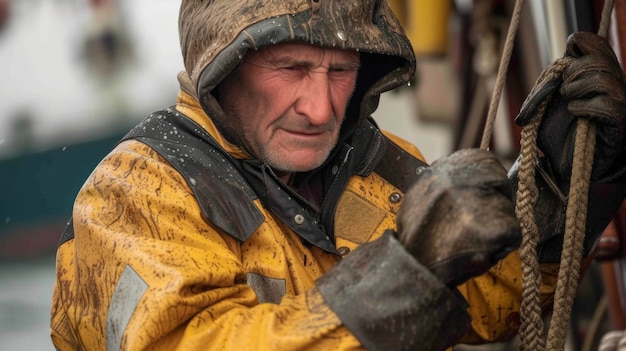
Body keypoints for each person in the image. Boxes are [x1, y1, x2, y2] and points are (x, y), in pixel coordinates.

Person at [50, 1, 626, 350]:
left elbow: (492, 302)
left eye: (341, 71)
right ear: (221, 66)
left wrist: (563, 185)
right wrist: (406, 274)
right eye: (292, 68)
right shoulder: (130, 197)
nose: (320, 109)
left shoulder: (379, 164)